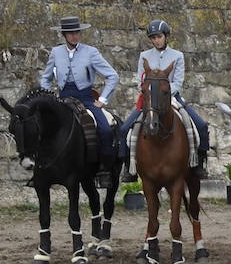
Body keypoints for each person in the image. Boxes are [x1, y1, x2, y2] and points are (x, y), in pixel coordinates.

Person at [116, 20, 212, 182]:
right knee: (125, 129)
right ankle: (129, 168)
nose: (156, 41)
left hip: (172, 97)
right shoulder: (144, 56)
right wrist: (149, 94)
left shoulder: (177, 56)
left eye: (159, 37)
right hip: (149, 100)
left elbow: (178, 82)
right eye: (153, 38)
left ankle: (199, 163)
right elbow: (141, 81)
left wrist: (164, 95)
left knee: (200, 126)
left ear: (166, 37)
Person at [39, 16, 119, 168]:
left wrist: (102, 100)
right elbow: (46, 79)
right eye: (70, 33)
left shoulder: (91, 52)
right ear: (64, 35)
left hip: (86, 98)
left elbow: (113, 76)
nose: (74, 36)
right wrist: (47, 96)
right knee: (38, 126)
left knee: (105, 129)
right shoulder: (56, 52)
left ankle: (104, 168)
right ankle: (41, 168)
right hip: (62, 98)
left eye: (77, 32)